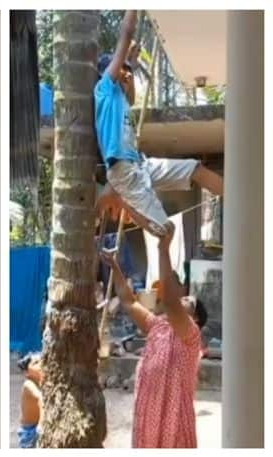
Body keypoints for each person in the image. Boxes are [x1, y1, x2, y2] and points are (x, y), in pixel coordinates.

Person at [94, 10, 223, 238]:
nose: (126, 75)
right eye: (121, 70)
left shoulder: (121, 99)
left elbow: (131, 92)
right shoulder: (104, 89)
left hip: (140, 165)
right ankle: (121, 200)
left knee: (195, 169)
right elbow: (125, 36)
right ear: (110, 72)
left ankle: (241, 202)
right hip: (123, 171)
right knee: (166, 231)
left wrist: (131, 64)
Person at [100, 224, 207, 448]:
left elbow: (169, 301)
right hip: (148, 415)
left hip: (173, 420)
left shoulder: (191, 336)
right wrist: (115, 267)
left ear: (195, 317)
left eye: (189, 301)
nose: (184, 299)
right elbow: (128, 301)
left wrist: (163, 249)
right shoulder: (158, 326)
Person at [17, 353, 43, 448]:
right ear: (27, 372)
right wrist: (40, 425)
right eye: (35, 363)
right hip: (29, 430)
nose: (40, 365)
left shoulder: (40, 382)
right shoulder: (28, 384)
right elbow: (41, 399)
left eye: (41, 362)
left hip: (35, 426)